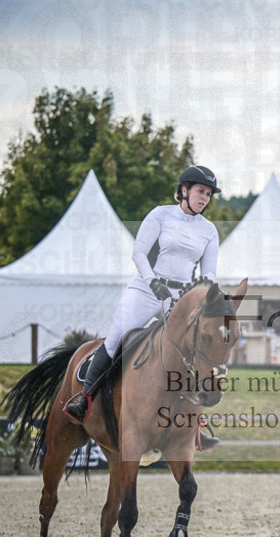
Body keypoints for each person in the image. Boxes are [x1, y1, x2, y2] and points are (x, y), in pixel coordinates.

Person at [63, 165, 222, 450]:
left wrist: (202, 294)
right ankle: (84, 397)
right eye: (201, 191)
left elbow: (209, 272)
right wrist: (153, 282)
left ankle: (196, 424)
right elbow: (139, 252)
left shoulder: (209, 230)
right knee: (116, 337)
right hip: (146, 289)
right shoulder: (160, 215)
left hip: (180, 297)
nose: (204, 198)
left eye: (208, 194)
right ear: (184, 190)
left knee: (191, 349)